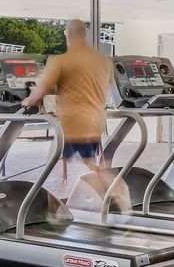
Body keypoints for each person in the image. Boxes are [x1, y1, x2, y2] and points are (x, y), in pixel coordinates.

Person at [21, 19, 130, 212]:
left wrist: (26, 101)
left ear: (69, 35)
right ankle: (117, 193)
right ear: (84, 34)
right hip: (95, 120)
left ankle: (118, 195)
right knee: (88, 163)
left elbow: (41, 90)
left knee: (57, 164)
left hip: (74, 123)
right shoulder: (102, 60)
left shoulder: (63, 60)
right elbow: (105, 83)